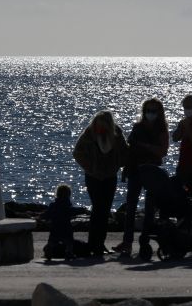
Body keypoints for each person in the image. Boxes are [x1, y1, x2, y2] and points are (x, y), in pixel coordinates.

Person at [113, 98, 169, 257]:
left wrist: (144, 146)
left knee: (150, 208)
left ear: (159, 113)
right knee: (130, 206)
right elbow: (131, 149)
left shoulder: (161, 130)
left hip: (151, 170)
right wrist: (125, 168)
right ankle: (127, 242)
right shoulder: (137, 127)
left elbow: (162, 151)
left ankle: (144, 242)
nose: (150, 114)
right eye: (148, 110)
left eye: (154, 111)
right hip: (135, 169)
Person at [73, 110, 128, 257]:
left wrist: (117, 164)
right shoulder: (89, 134)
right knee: (97, 209)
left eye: (103, 124)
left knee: (105, 211)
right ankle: (93, 243)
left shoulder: (116, 135)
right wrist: (91, 167)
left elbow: (125, 153)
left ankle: (99, 243)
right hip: (93, 177)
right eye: (98, 123)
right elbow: (77, 152)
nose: (100, 127)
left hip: (110, 177)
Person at [172, 94, 192, 177]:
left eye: (188, 107)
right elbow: (175, 138)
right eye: (184, 107)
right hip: (183, 163)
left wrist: (188, 129)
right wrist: (181, 127)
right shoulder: (184, 122)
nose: (186, 110)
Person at [42, 183, 75, 260]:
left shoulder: (53, 205)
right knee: (69, 242)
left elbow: (47, 214)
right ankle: (69, 253)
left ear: (57, 194)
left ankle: (49, 251)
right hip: (66, 228)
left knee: (52, 241)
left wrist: (41, 217)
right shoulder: (68, 206)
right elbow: (72, 212)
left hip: (55, 228)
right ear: (69, 195)